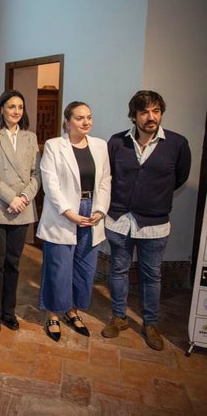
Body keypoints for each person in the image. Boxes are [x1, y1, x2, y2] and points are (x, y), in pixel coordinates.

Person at [102, 90, 191, 351]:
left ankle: (150, 324)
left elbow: (180, 177)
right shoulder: (117, 142)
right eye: (144, 112)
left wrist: (153, 197)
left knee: (151, 275)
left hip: (154, 223)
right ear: (134, 116)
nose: (151, 117)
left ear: (161, 113)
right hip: (119, 220)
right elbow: (108, 176)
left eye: (156, 111)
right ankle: (119, 318)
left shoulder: (177, 144)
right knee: (118, 270)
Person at [37, 101, 111, 341]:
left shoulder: (100, 146)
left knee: (84, 265)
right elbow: (50, 184)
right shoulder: (54, 146)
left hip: (92, 212)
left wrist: (100, 210)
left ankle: (72, 310)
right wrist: (69, 212)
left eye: (89, 117)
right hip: (64, 213)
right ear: (67, 122)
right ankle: (53, 314)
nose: (86, 122)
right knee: (58, 266)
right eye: (80, 118)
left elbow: (105, 180)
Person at [0, 90, 41, 333]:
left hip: (22, 210)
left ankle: (8, 312)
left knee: (13, 264)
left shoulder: (30, 137)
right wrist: (11, 197)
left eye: (20, 107)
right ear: (1, 109)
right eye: (11, 106)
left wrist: (24, 197)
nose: (16, 111)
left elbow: (37, 174)